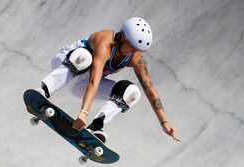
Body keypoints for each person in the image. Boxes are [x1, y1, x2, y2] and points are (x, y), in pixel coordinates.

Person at [38, 17, 179, 143]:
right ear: (123, 37)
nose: (134, 53)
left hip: (81, 85)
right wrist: (84, 113)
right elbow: (94, 80)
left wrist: (164, 122)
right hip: (65, 64)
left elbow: (150, 89)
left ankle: (96, 126)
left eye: (137, 50)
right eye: (132, 48)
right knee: (84, 57)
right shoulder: (105, 42)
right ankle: (44, 89)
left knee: (131, 93)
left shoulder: (136, 59)